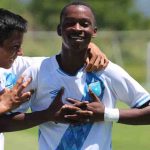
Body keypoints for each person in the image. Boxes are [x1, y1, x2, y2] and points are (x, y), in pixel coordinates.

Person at [2, 1, 150, 150]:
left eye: (84, 24)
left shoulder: (107, 71)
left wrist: (106, 114)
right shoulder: (37, 71)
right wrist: (47, 115)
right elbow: (4, 122)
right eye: (70, 23)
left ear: (94, 31)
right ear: (59, 30)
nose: (77, 28)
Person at [0, 8, 108, 150]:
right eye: (15, 47)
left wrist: (88, 47)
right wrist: (2, 106)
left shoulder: (14, 65)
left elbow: (55, 62)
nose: (20, 52)